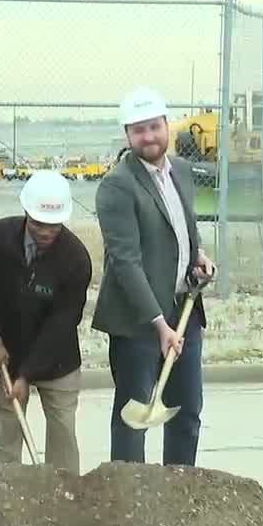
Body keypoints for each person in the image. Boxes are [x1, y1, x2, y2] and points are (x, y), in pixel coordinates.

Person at [93, 86, 217, 466]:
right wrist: (160, 326)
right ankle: (130, 502)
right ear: (127, 136)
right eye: (138, 130)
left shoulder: (180, 170)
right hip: (139, 323)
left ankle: (177, 495)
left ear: (166, 126)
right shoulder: (117, 185)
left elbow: (181, 227)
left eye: (153, 127)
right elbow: (125, 261)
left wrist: (197, 254)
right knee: (134, 420)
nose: (148, 137)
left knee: (187, 413)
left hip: (184, 312)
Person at [0, 170, 92, 474]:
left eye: (53, 225)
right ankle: (8, 494)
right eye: (38, 224)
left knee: (63, 436)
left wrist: (27, 375)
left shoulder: (76, 259)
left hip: (57, 360)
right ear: (25, 212)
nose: (46, 233)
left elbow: (62, 325)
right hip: (4, 355)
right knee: (6, 436)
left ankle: (63, 498)